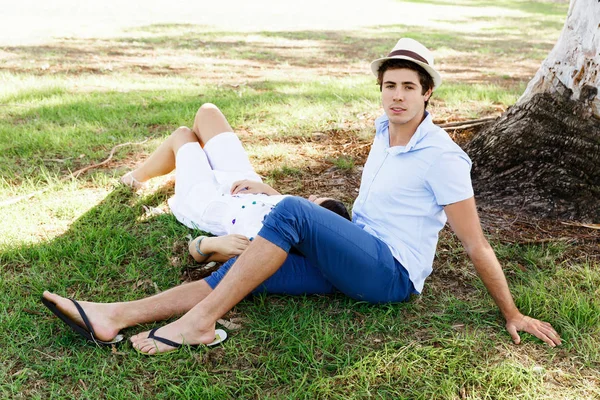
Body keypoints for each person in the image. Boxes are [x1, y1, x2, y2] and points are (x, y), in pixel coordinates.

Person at [43, 38, 561, 354]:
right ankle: (115, 315)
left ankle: (197, 324)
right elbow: (369, 209)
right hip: (358, 247)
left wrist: (512, 313)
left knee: (293, 212)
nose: (397, 96)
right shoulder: (385, 131)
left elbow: (476, 245)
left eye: (408, 86)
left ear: (429, 93)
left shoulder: (444, 157)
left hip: (390, 274)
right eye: (389, 86)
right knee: (245, 275)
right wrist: (283, 197)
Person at [120, 108, 350, 263]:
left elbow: (198, 251)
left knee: (183, 136)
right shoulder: (293, 209)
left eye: (311, 204)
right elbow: (283, 206)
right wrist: (270, 192)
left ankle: (137, 178)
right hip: (247, 186)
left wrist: (213, 244)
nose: (307, 198)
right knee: (208, 112)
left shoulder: (264, 242)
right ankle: (194, 164)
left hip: (207, 202)